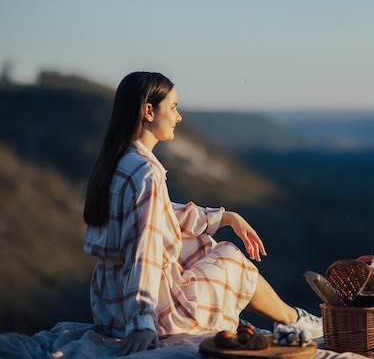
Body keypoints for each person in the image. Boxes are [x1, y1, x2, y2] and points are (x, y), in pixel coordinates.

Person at [83, 71, 321, 355]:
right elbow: (142, 252)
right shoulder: (146, 172)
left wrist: (225, 217)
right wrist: (142, 323)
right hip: (149, 315)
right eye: (172, 107)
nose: (179, 116)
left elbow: (160, 214)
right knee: (230, 258)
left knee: (197, 243)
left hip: (109, 307)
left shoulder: (119, 161)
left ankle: (290, 317)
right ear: (149, 111)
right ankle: (293, 319)